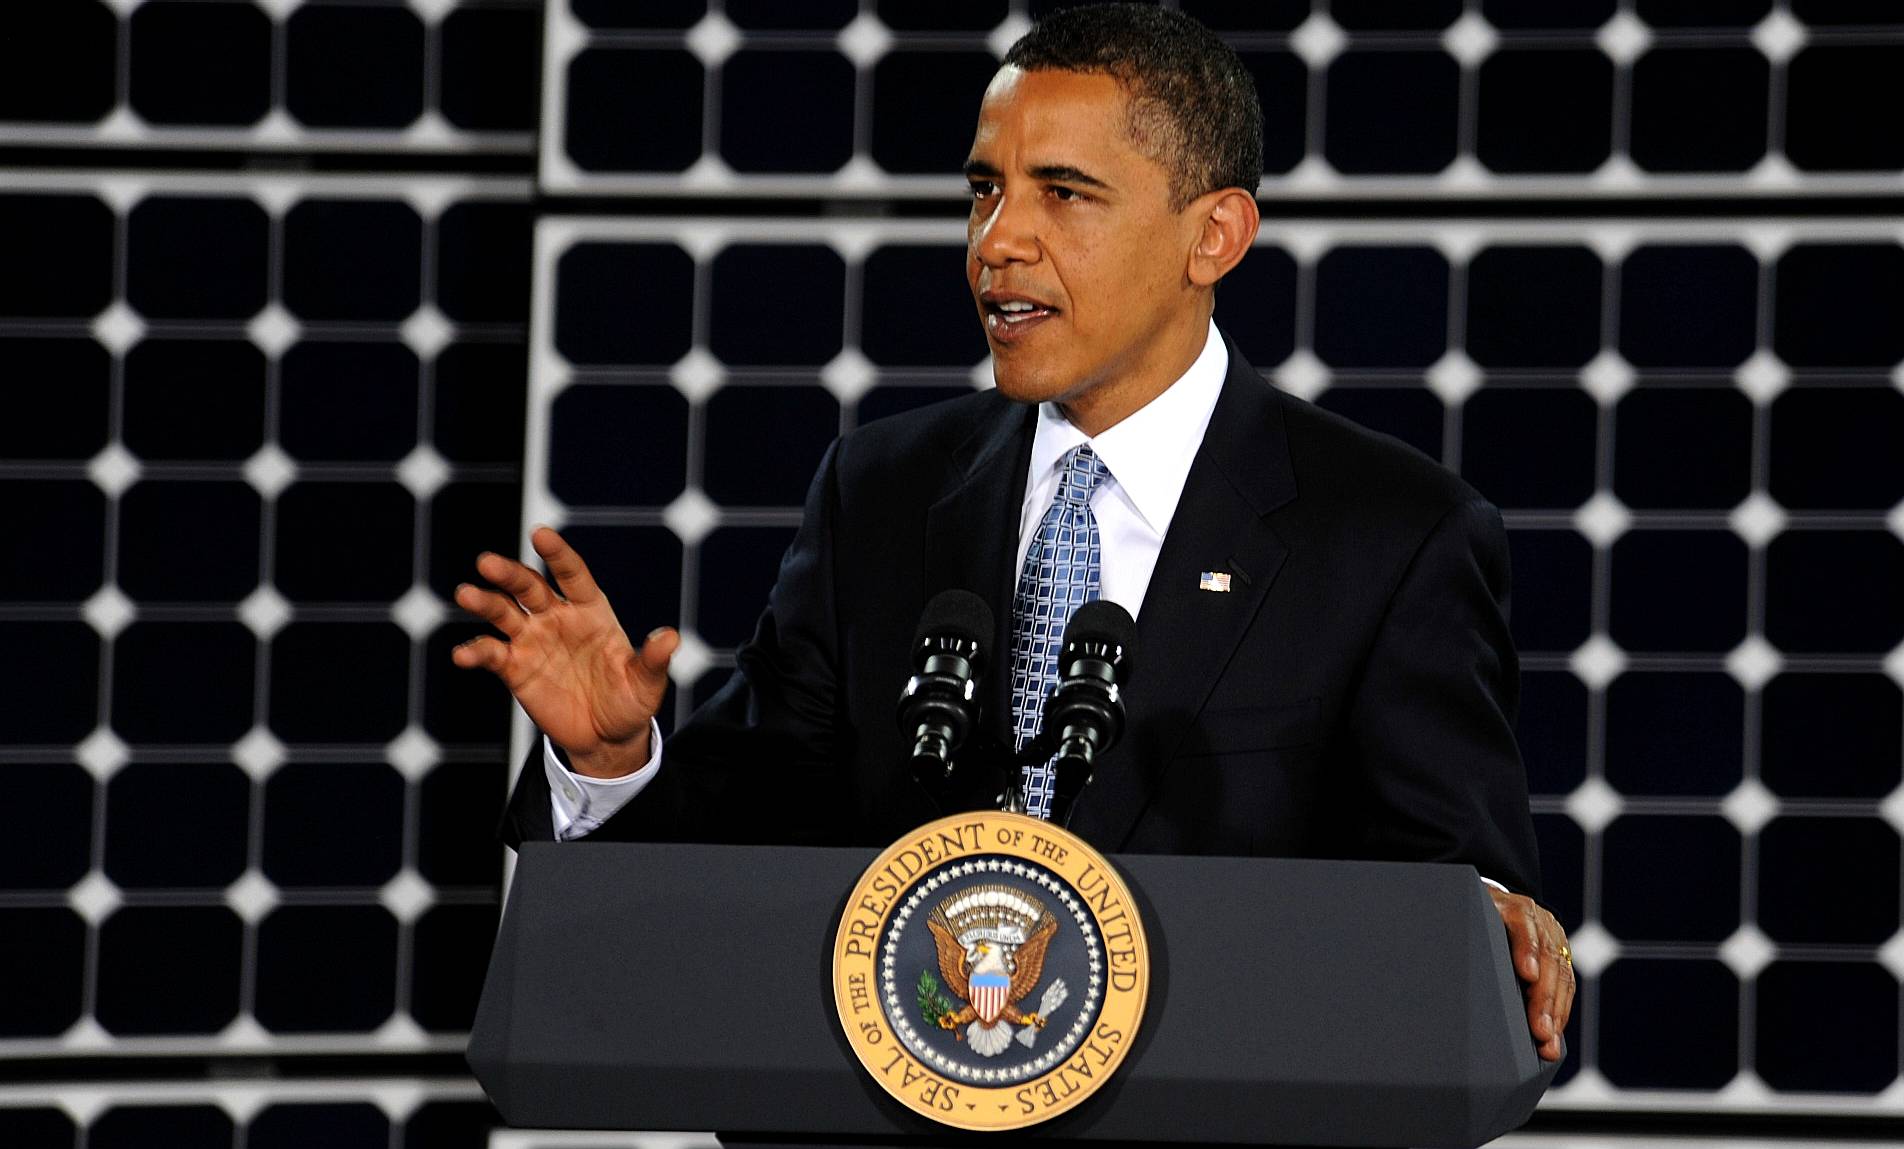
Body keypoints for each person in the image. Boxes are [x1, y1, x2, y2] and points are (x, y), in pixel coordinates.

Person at [452, 4, 1576, 1061]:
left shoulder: (1391, 536)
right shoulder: (880, 491)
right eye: (983, 191)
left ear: (1215, 236)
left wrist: (1479, 919)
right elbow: (748, 843)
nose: (998, 243)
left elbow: (1451, 915)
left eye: (1065, 194)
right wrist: (613, 766)